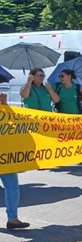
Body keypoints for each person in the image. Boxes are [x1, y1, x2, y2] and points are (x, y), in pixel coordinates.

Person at [0, 93, 30, 230]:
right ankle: (12, 218)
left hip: (6, 153)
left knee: (12, 186)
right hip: (5, 153)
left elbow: (10, 122)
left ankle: (13, 219)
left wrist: (5, 105)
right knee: (12, 186)